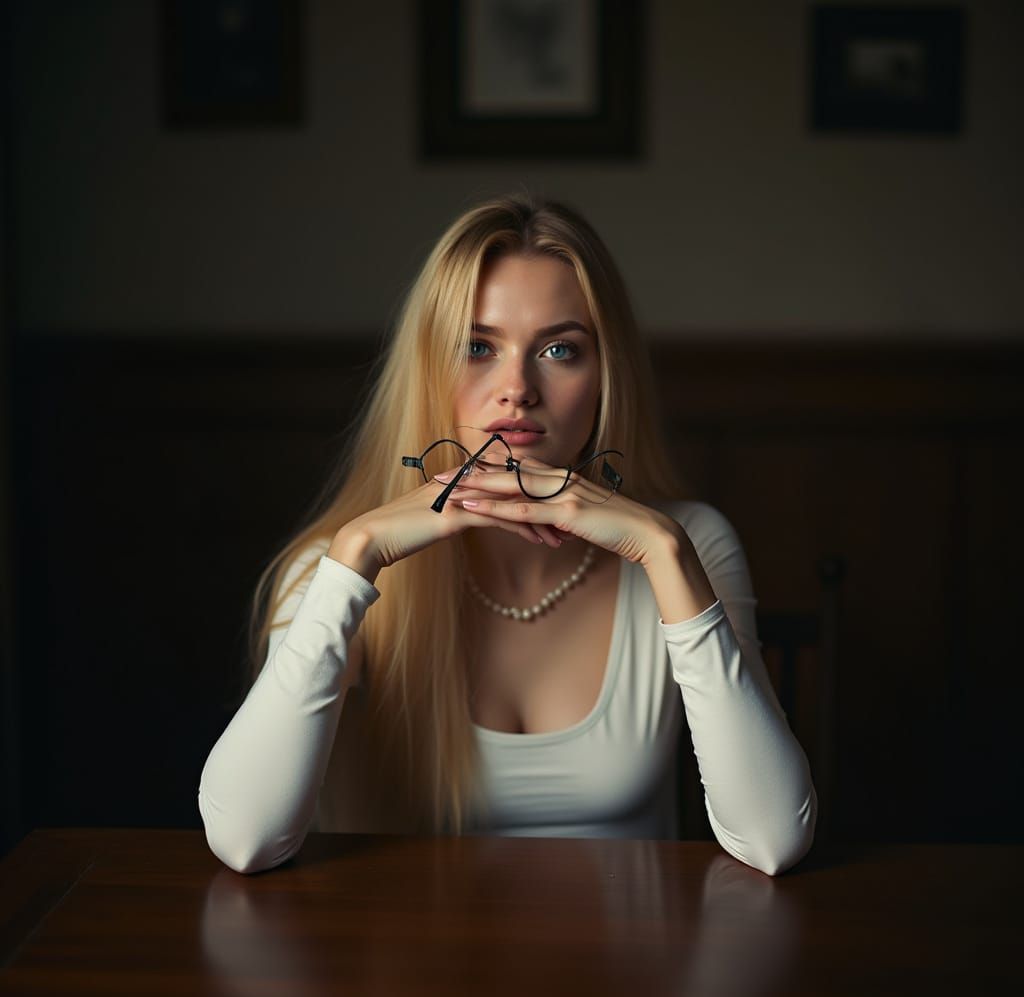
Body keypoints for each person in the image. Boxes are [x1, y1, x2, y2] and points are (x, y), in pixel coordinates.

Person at [198, 194, 817, 876]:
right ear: (428, 368)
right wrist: (355, 556)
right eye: (477, 346)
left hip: (631, 973)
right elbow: (245, 838)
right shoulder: (339, 563)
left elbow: (771, 839)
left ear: (607, 375)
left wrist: (664, 553)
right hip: (402, 973)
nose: (517, 388)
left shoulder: (687, 543)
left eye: (559, 349)